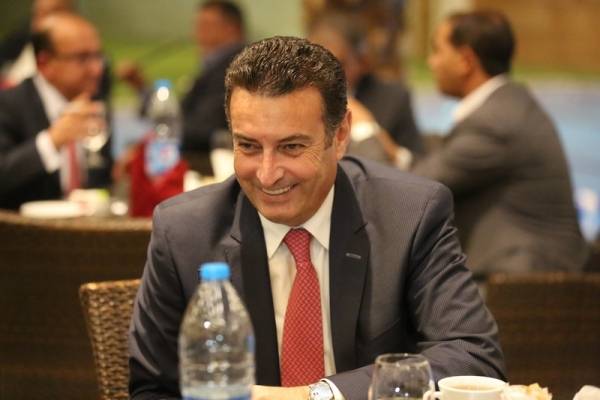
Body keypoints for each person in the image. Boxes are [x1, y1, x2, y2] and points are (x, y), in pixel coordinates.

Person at [128, 36, 505, 400]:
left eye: (291, 147)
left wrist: (316, 395)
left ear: (340, 136)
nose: (267, 174)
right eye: (249, 146)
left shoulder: (409, 216)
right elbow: (152, 389)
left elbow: (472, 356)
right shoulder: (185, 232)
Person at [358, 10, 588, 277]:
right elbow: (444, 158)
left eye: (437, 51)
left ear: (466, 61)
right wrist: (396, 153)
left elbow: (411, 194)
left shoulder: (496, 123)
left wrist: (364, 130)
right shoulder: (507, 105)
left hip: (521, 283)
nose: (431, 62)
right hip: (522, 273)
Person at [118, 0, 245, 174]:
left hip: (207, 163)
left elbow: (203, 128)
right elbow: (179, 114)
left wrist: (150, 143)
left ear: (231, 29)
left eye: (206, 26)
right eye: (197, 26)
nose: (197, 33)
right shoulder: (219, 64)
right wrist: (141, 87)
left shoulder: (232, 67)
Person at [0, 12, 111, 210]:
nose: (97, 69)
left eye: (98, 56)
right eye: (82, 58)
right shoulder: (8, 105)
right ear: (45, 63)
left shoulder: (95, 105)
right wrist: (52, 140)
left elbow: (100, 178)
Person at [308, 12, 423, 164]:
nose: (324, 74)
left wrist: (388, 148)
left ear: (362, 61)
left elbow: (419, 164)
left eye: (337, 64)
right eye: (315, 64)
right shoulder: (297, 96)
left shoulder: (394, 98)